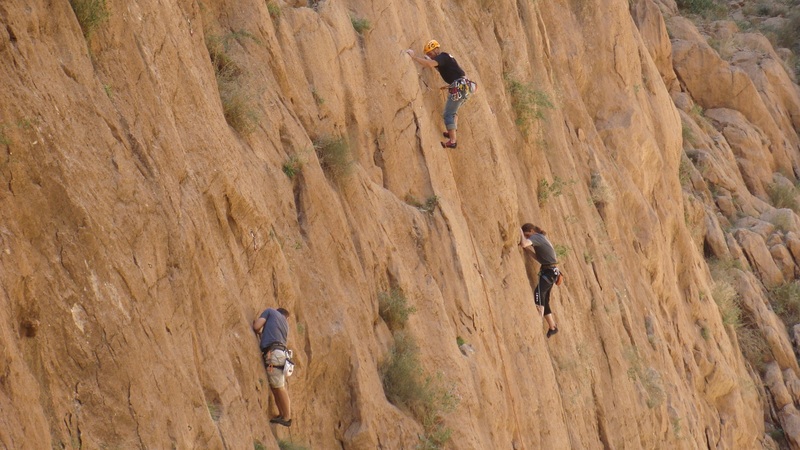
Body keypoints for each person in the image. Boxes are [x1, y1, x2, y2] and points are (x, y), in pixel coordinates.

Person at [405, 39, 472, 148]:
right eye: (428, 55)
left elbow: (430, 64)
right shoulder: (446, 59)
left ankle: (453, 141)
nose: (430, 56)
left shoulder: (442, 56)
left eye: (431, 53)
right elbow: (448, 70)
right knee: (453, 111)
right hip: (465, 86)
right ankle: (451, 132)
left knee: (448, 114)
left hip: (460, 85)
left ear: (436, 49)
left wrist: (414, 57)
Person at [253, 307, 292, 426]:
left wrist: (257, 327)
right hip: (280, 354)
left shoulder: (270, 312)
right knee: (275, 387)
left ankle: (286, 417)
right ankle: (282, 414)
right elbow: (271, 337)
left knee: (279, 387)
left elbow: (256, 327)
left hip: (274, 354)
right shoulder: (285, 325)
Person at [520, 223, 560, 338]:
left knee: (538, 292)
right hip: (551, 270)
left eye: (528, 235)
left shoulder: (536, 237)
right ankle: (552, 327)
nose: (527, 238)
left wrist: (521, 233)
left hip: (550, 271)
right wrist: (527, 250)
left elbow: (524, 243)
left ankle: (539, 317)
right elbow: (540, 258)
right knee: (544, 299)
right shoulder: (541, 239)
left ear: (532, 231)